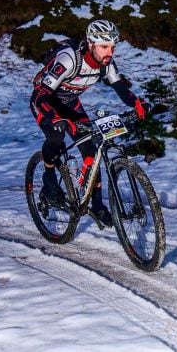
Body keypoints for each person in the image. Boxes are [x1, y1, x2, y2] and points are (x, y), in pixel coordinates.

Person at [30, 19, 150, 228]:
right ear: (91, 43)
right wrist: (56, 118)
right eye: (104, 47)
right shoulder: (69, 59)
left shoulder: (106, 64)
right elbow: (41, 95)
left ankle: (97, 204)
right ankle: (49, 177)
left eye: (112, 47)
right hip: (45, 102)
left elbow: (121, 88)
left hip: (71, 104)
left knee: (92, 151)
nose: (109, 52)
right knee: (56, 137)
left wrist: (137, 103)